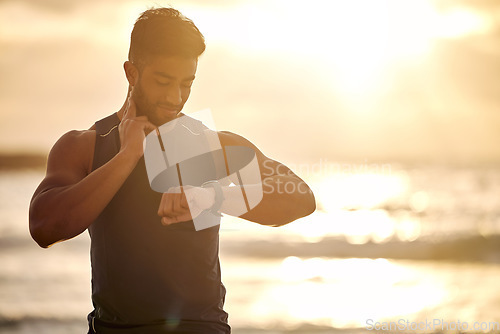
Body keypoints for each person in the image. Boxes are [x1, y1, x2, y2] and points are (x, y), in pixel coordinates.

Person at [29, 7, 316, 334]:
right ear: (131, 73)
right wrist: (126, 157)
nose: (176, 97)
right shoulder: (84, 147)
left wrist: (212, 197)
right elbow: (44, 226)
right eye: (163, 81)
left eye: (186, 83)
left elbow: (301, 197)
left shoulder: (210, 145)